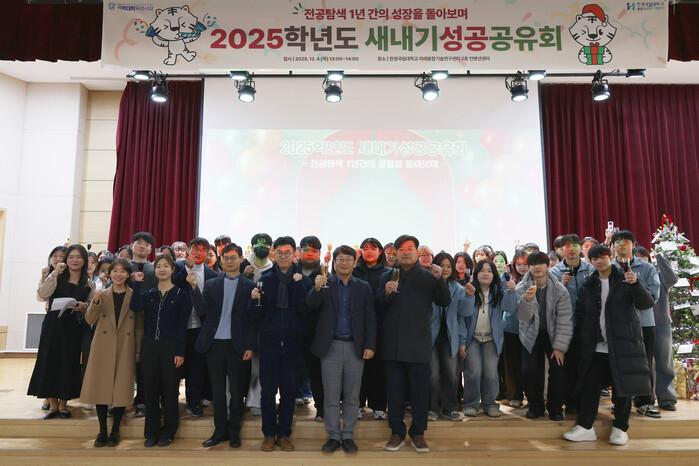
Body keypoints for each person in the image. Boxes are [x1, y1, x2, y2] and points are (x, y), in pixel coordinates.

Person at [563, 244, 654, 446]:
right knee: (589, 387)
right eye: (594, 258)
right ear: (590, 261)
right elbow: (581, 313)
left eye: (603, 256)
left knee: (623, 389)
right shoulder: (589, 284)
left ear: (610, 256)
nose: (599, 261)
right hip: (596, 346)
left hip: (623, 345)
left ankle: (620, 428)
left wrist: (636, 284)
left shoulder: (625, 278)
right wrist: (583, 338)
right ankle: (585, 427)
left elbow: (646, 303)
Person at [376, 234, 451, 453]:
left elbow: (444, 301)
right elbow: (377, 304)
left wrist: (440, 280)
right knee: (395, 392)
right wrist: (386, 293)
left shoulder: (428, 276)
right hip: (392, 344)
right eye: (401, 249)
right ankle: (396, 432)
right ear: (395, 253)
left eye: (410, 248)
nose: (406, 252)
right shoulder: (387, 276)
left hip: (418, 343)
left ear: (417, 253)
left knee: (420, 392)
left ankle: (418, 433)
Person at [307, 245, 377, 454]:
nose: (344, 263)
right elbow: (310, 306)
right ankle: (333, 435)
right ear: (334, 262)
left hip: (356, 347)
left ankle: (347, 435)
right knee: (330, 395)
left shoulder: (363, 287)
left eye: (348, 259)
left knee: (352, 395)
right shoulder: (324, 283)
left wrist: (370, 345)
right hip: (330, 347)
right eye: (340, 259)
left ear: (355, 263)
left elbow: (370, 318)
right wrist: (316, 289)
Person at [189, 243, 255, 449]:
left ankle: (234, 431)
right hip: (214, 344)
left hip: (238, 345)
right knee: (217, 392)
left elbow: (253, 320)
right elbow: (202, 310)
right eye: (225, 258)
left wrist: (250, 346)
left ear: (241, 259)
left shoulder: (249, 286)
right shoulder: (212, 284)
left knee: (236, 392)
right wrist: (194, 288)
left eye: (233, 258)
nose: (229, 261)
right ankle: (219, 431)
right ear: (221, 260)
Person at [250, 237, 312, 452]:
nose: (284, 256)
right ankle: (268, 434)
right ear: (273, 253)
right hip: (269, 342)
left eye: (288, 252)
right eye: (280, 252)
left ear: (295, 254)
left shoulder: (303, 280)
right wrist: (253, 299)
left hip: (294, 343)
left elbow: (306, 311)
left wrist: (298, 285)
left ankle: (284, 434)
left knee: (289, 391)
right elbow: (256, 315)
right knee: (267, 392)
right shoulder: (264, 278)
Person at [131, 254, 190, 448]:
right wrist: (137, 284)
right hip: (149, 347)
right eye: (158, 266)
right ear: (154, 270)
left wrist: (180, 352)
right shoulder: (149, 294)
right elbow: (135, 306)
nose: (162, 269)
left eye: (166, 266)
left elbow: (182, 326)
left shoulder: (181, 294)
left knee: (170, 391)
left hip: (171, 348)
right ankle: (151, 432)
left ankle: (169, 430)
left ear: (173, 270)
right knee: (150, 391)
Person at [29, 244, 94, 418]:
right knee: (49, 360)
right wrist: (54, 273)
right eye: (71, 257)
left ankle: (64, 405)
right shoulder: (57, 276)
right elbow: (43, 294)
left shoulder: (88, 282)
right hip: (53, 325)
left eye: (78, 257)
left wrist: (84, 306)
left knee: (69, 362)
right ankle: (53, 405)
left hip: (74, 326)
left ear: (84, 260)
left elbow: (91, 305)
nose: (74, 260)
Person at [80, 259, 137, 447]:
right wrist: (95, 301)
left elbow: (139, 326)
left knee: (121, 388)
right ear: (109, 274)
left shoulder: (134, 295)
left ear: (128, 274)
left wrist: (138, 349)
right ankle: (102, 430)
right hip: (103, 346)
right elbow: (90, 319)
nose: (119, 274)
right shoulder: (102, 294)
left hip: (125, 345)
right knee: (101, 387)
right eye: (115, 271)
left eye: (123, 271)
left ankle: (115, 430)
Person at [515, 251, 573, 421]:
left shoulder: (559, 289)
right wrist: (526, 301)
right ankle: (535, 406)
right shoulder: (521, 288)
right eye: (533, 264)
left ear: (548, 266)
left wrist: (560, 347)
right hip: (530, 334)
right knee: (529, 371)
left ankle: (555, 408)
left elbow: (565, 319)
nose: (537, 267)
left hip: (553, 334)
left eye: (541, 263)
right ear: (529, 267)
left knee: (558, 371)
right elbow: (522, 317)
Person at [611, 230, 660, 418]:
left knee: (645, 363)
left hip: (644, 323)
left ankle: (645, 402)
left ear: (633, 244)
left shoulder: (647, 268)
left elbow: (654, 297)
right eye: (617, 242)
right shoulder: (608, 268)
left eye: (626, 241)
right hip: (618, 324)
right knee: (618, 363)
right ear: (613, 246)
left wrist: (636, 283)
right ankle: (619, 403)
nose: (621, 245)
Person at [462, 259, 517, 417]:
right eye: (482, 270)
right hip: (472, 339)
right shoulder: (469, 289)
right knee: (473, 371)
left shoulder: (499, 291)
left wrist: (511, 291)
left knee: (491, 373)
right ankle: (471, 404)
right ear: (476, 274)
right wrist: (468, 296)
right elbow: (464, 313)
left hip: (491, 339)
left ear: (494, 275)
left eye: (489, 271)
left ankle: (490, 404)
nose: (485, 274)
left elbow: (510, 308)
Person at [550, 234, 594, 414]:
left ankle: (579, 401)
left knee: (584, 365)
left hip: (586, 326)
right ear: (562, 249)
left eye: (575, 245)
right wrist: (561, 284)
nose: (572, 249)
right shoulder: (554, 272)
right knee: (565, 367)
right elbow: (550, 300)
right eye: (567, 246)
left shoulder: (590, 269)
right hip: (563, 326)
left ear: (580, 248)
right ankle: (565, 401)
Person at [175, 237, 218, 418]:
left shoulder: (212, 275)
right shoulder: (177, 267)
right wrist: (186, 268)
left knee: (196, 368)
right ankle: (170, 402)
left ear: (207, 254)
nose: (198, 253)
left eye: (202, 250)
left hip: (200, 327)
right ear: (188, 251)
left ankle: (193, 403)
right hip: (177, 327)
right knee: (174, 367)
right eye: (195, 248)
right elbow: (173, 283)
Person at [635, 248, 678, 411]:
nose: (641, 260)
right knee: (643, 364)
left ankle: (667, 398)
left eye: (643, 257)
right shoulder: (633, 277)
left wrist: (659, 256)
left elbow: (672, 278)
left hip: (661, 323)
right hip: (640, 324)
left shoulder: (659, 276)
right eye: (637, 257)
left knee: (664, 362)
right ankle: (645, 398)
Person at [353, 238, 390, 420]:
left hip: (382, 326)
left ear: (380, 251)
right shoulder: (354, 271)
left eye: (373, 248)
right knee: (358, 367)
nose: (368, 252)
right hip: (358, 326)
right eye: (365, 248)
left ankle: (379, 406)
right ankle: (357, 404)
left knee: (379, 368)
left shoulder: (388, 272)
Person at [428, 252, 466, 421]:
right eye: (441, 265)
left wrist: (462, 341)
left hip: (451, 338)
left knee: (451, 373)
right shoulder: (427, 285)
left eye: (448, 266)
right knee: (433, 374)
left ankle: (450, 408)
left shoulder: (458, 289)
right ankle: (433, 408)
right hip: (430, 337)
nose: (445, 269)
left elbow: (462, 316)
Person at [241, 233, 275, 417]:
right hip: (242, 321)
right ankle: (234, 399)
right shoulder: (243, 265)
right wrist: (244, 275)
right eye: (257, 243)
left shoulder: (274, 268)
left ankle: (255, 400)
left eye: (265, 243)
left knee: (259, 365)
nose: (261, 246)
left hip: (263, 322)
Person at [130, 232, 157, 418]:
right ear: (131, 245)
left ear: (151, 249)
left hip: (148, 321)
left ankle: (142, 400)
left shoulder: (155, 268)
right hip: (125, 318)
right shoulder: (123, 266)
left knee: (144, 362)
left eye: (146, 244)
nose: (142, 246)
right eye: (138, 242)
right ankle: (120, 400)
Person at [297, 236, 324, 416]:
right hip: (293, 329)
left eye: (314, 251)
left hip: (317, 331)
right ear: (299, 252)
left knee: (316, 372)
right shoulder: (290, 270)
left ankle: (320, 408)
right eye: (306, 250)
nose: (310, 254)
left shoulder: (326, 274)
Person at [501, 249, 529, 408]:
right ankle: (515, 394)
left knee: (528, 365)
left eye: (525, 264)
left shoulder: (535, 278)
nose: (522, 267)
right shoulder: (508, 279)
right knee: (512, 364)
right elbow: (506, 305)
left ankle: (531, 394)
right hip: (511, 327)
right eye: (518, 264)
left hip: (529, 327)